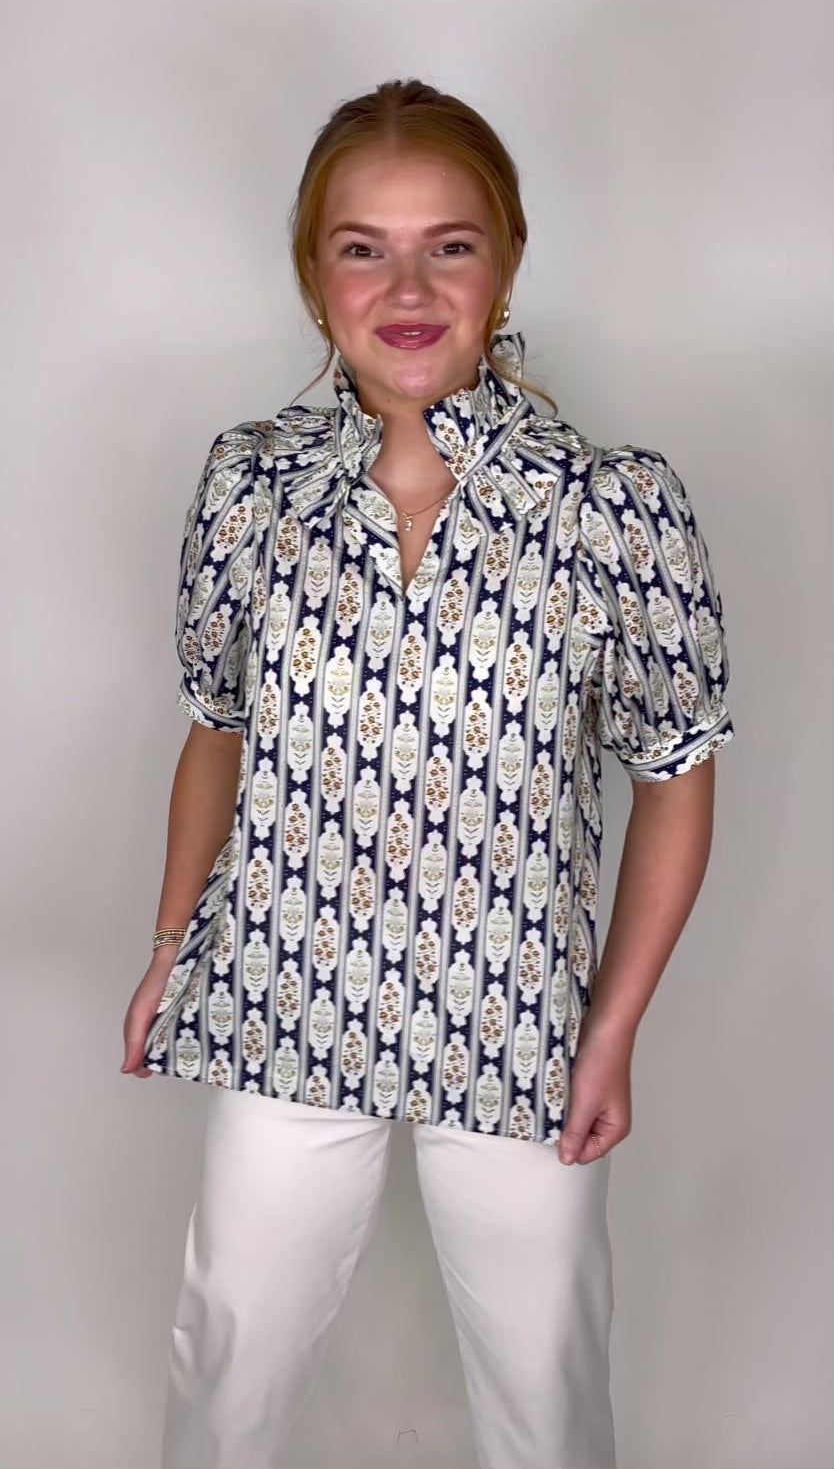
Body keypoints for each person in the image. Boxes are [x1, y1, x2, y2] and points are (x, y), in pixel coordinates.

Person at [121, 77, 734, 1469]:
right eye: (364, 247)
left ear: (504, 261)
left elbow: (674, 772)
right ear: (313, 273)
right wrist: (171, 946)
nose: (407, 288)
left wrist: (612, 1029)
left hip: (518, 1021)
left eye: (448, 245)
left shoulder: (612, 507)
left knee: (546, 1398)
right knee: (227, 1372)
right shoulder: (252, 487)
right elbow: (217, 727)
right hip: (280, 993)